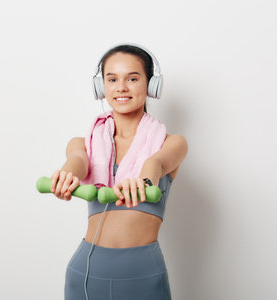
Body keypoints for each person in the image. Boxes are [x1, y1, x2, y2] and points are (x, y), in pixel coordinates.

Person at [50, 44, 188, 300]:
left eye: (132, 78)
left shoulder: (171, 143)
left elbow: (155, 164)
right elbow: (77, 161)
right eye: (112, 79)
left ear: (151, 85)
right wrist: (67, 174)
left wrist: (143, 181)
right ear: (101, 87)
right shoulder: (84, 143)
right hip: (86, 273)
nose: (121, 87)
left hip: (143, 275)